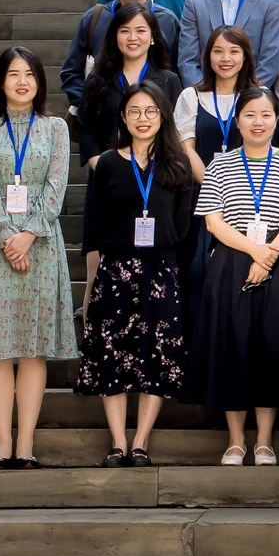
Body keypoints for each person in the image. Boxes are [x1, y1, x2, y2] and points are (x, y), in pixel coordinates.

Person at [0, 50, 79, 470]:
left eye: (29, 75)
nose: (22, 82)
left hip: (41, 244)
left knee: (34, 348)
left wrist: (28, 235)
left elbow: (56, 187)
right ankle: (2, 443)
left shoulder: (56, 128)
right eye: (13, 74)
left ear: (40, 81)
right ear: (0, 82)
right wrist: (9, 236)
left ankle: (25, 444)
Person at [76, 82, 197, 465]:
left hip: (161, 273)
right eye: (134, 112)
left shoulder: (177, 164)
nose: (142, 119)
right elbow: (94, 224)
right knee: (112, 354)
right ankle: (118, 442)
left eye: (150, 111)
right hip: (115, 271)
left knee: (157, 357)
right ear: (123, 118)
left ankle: (141, 441)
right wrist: (92, 281)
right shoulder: (108, 164)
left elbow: (183, 227)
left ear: (162, 116)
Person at [190, 87, 279, 466]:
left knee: (272, 348)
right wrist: (255, 252)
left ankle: (265, 441)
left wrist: (268, 255)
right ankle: (237, 440)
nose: (258, 122)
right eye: (250, 115)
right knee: (233, 347)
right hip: (232, 261)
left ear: (277, 121)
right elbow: (213, 222)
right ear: (237, 121)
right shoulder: (220, 165)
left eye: (266, 115)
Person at [74, 1, 186, 165]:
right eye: (125, 31)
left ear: (152, 36)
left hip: (158, 173)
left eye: (140, 31)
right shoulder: (97, 79)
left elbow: (177, 132)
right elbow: (87, 132)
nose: (132, 38)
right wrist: (104, 171)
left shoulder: (169, 81)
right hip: (107, 172)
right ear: (115, 36)